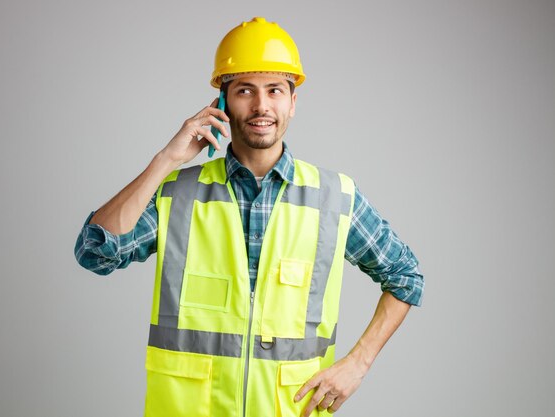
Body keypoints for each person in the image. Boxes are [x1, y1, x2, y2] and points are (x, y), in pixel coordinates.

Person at [74, 16, 424, 417]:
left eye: (275, 90)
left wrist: (357, 364)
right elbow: (95, 252)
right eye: (245, 90)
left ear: (293, 102)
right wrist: (165, 160)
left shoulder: (335, 197)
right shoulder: (177, 193)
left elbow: (406, 276)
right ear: (221, 102)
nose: (261, 106)